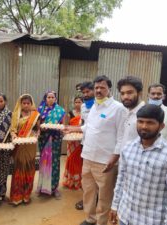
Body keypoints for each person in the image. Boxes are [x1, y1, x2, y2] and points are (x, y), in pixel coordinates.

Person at [110, 104, 167, 225]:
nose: (144, 126)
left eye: (150, 123)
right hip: (125, 216)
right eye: (140, 121)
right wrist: (115, 206)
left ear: (161, 126)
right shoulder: (127, 149)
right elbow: (121, 180)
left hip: (152, 220)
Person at [65, 75, 126, 225]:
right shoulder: (94, 107)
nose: (98, 90)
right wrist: (74, 128)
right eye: (96, 87)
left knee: (104, 195)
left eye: (102, 87)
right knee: (88, 192)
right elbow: (90, 127)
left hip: (105, 160)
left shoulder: (118, 108)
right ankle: (90, 219)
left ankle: (101, 222)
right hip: (88, 157)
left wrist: (114, 158)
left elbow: (121, 136)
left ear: (109, 89)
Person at [10, 94, 40, 206]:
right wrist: (13, 136)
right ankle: (16, 197)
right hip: (19, 144)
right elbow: (13, 130)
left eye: (28, 103)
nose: (26, 105)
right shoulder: (15, 115)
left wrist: (36, 136)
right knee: (19, 167)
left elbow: (38, 129)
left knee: (29, 167)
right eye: (24, 103)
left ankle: (26, 195)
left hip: (30, 144)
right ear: (20, 104)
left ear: (31, 104)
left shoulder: (36, 115)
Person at [37, 91, 65, 199]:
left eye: (52, 97)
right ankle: (42, 187)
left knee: (55, 162)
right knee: (44, 162)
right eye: (48, 97)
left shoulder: (60, 110)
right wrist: (40, 128)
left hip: (55, 138)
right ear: (45, 98)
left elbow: (62, 124)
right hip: (44, 138)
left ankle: (54, 188)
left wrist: (64, 130)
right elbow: (37, 124)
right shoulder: (40, 109)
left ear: (55, 99)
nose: (50, 99)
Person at [75, 81, 95, 210]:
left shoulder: (100, 106)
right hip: (85, 143)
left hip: (99, 145)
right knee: (86, 174)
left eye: (88, 91)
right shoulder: (83, 107)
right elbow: (83, 123)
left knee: (99, 175)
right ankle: (87, 199)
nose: (86, 94)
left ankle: (97, 199)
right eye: (84, 92)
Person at [117, 76, 145, 146]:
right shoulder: (124, 112)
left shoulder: (147, 115)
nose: (125, 97)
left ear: (140, 93)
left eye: (129, 93)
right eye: (122, 93)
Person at [63, 96, 83, 190]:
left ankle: (79, 181)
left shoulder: (85, 114)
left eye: (80, 102)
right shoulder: (69, 113)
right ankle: (71, 180)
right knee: (71, 159)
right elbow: (65, 125)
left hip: (81, 140)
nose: (78, 104)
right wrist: (66, 133)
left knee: (79, 160)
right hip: (71, 140)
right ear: (74, 103)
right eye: (76, 102)